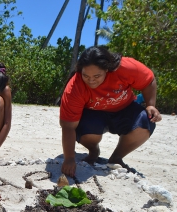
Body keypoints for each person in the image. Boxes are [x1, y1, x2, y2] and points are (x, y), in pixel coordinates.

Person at [60, 45, 162, 177]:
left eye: (97, 76)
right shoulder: (75, 87)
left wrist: (150, 105)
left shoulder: (125, 68)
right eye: (86, 76)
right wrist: (69, 159)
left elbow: (148, 81)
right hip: (94, 115)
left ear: (107, 69)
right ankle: (93, 151)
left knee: (146, 119)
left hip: (125, 109)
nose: (91, 80)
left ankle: (116, 157)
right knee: (82, 127)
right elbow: (68, 126)